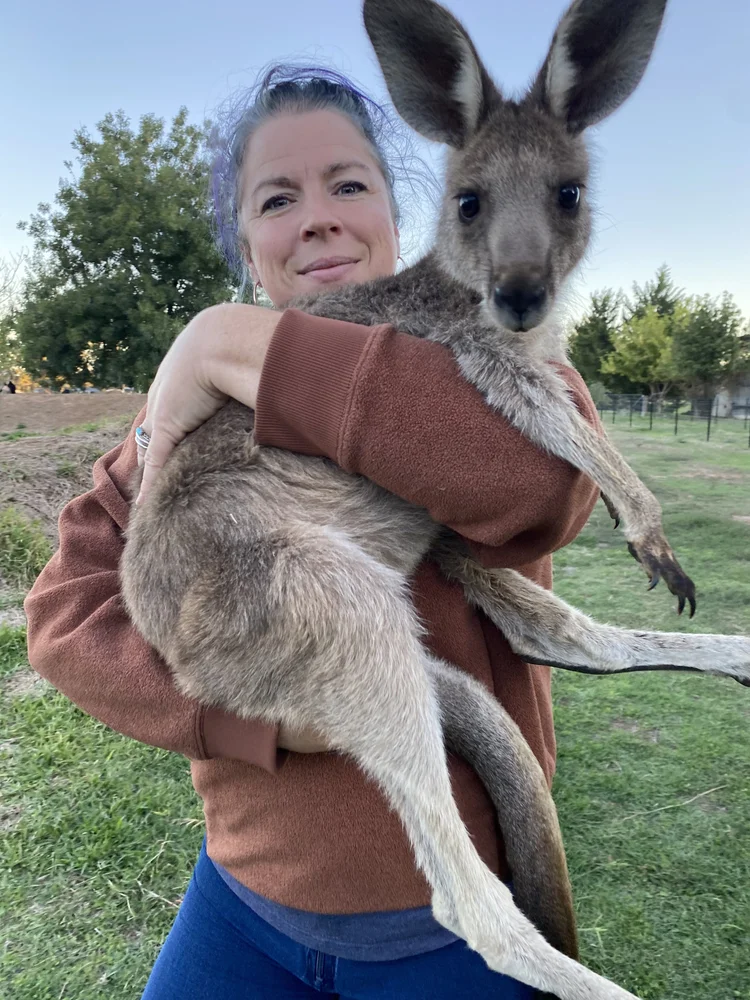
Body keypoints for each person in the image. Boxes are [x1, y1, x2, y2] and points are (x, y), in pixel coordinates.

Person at [24, 68, 600, 999]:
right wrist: (256, 718)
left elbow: (540, 492)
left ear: (402, 218)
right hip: (246, 903)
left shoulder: (496, 344)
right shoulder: (190, 417)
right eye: (278, 198)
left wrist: (233, 342)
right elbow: (63, 611)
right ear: (251, 247)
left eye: (348, 184)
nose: (319, 217)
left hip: (448, 927)